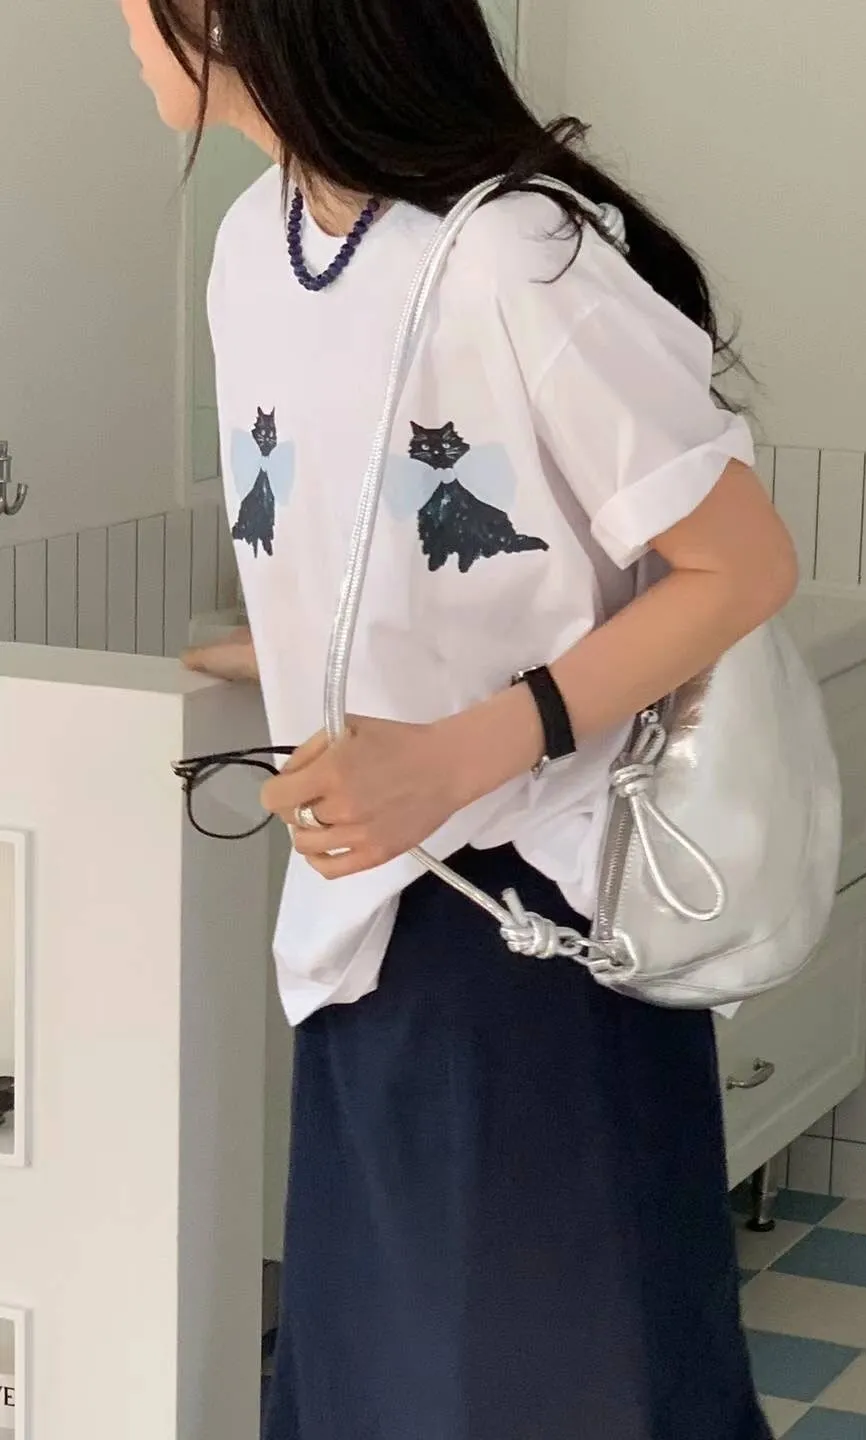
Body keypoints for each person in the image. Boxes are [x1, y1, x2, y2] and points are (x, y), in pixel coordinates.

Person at [122, 1, 796, 1435]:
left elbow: (740, 568)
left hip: (536, 930)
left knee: (546, 1389)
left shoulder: (515, 253)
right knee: (383, 1381)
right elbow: (405, 536)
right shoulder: (253, 243)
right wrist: (300, 652)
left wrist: (448, 755)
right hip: (366, 917)